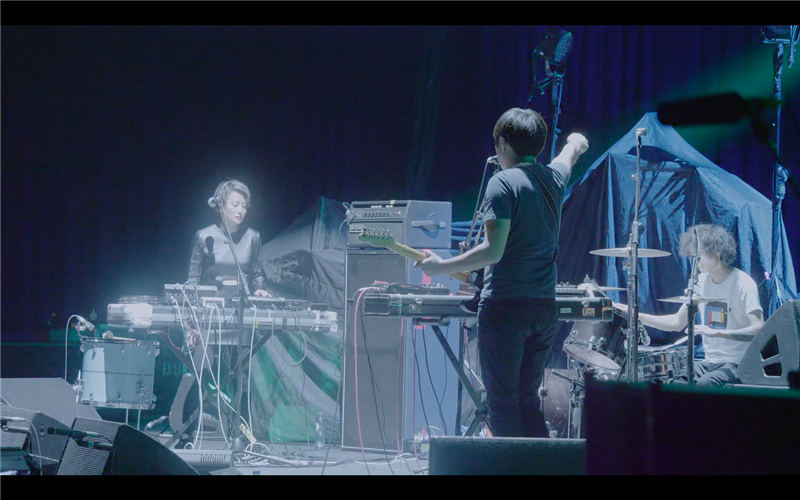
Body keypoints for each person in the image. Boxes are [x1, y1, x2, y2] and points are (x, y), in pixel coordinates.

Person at [417, 107, 589, 437]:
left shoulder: (502, 184)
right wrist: (575, 139)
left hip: (506, 307)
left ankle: (510, 463)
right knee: (528, 401)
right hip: (543, 309)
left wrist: (440, 266)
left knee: (503, 404)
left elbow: (492, 251)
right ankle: (541, 464)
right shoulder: (553, 178)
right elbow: (575, 148)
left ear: (502, 143)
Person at [614, 223, 763, 386]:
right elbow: (677, 322)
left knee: (705, 385)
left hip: (739, 363)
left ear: (717, 251)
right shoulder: (701, 281)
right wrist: (636, 315)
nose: (696, 263)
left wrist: (715, 333)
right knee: (675, 384)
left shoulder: (743, 283)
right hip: (709, 362)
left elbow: (757, 329)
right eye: (693, 258)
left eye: (699, 257)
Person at [187, 179, 269, 298]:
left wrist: (259, 289)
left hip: (242, 303)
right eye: (235, 205)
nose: (241, 210)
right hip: (210, 304)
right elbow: (193, 280)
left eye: (244, 206)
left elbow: (257, 274)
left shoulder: (253, 237)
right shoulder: (203, 236)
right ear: (220, 205)